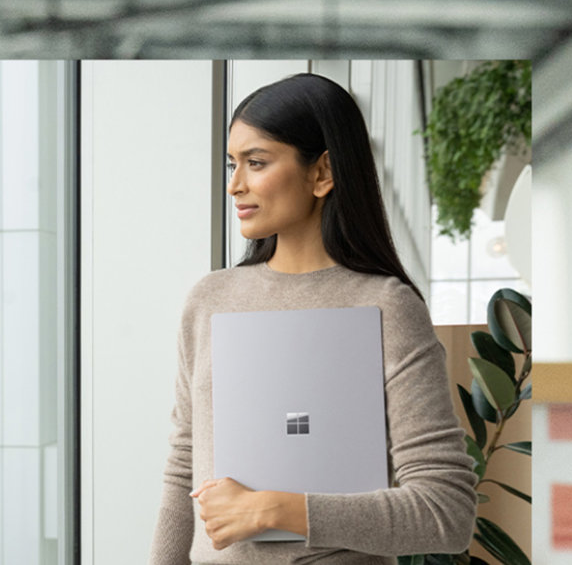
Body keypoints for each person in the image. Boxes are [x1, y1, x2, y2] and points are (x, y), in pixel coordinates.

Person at [149, 73, 478, 564]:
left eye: (256, 163)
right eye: (232, 164)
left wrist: (277, 510)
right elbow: (184, 470)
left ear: (322, 173)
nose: (235, 184)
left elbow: (446, 512)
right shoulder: (209, 300)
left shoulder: (387, 307)